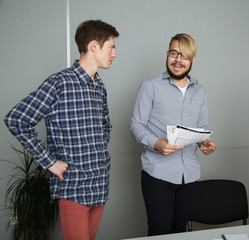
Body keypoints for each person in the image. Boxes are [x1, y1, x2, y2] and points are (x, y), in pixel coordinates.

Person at [4, 19, 119, 239]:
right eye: (111, 47)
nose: (114, 54)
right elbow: (17, 119)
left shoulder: (99, 86)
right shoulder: (59, 83)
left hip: (99, 186)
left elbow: (105, 126)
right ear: (94, 46)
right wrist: (49, 162)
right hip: (74, 187)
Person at [130, 33, 216, 236]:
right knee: (160, 233)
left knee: (180, 232)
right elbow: (136, 125)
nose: (178, 60)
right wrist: (156, 143)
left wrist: (205, 142)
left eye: (184, 56)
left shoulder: (200, 91)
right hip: (158, 174)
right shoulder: (150, 86)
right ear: (167, 54)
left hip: (190, 175)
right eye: (174, 53)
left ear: (192, 60)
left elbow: (202, 126)